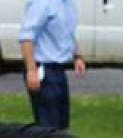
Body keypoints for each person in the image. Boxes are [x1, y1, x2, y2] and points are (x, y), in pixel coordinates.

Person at [19, 0, 85, 129]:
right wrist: (31, 71)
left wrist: (77, 56)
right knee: (48, 125)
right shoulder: (42, 4)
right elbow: (27, 38)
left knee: (61, 123)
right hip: (42, 68)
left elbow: (68, 33)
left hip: (58, 68)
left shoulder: (69, 4)